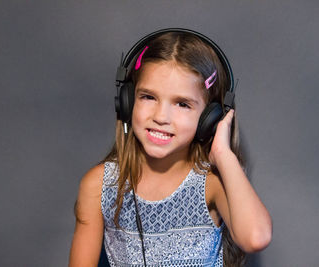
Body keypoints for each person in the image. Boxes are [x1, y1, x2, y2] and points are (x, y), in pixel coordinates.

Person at [69, 29, 272, 267]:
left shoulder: (211, 184)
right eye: (148, 97)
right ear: (127, 102)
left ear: (210, 118)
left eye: (182, 104)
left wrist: (223, 154)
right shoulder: (98, 185)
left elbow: (255, 237)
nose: (161, 117)